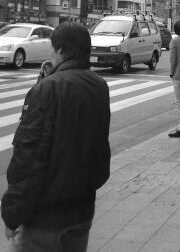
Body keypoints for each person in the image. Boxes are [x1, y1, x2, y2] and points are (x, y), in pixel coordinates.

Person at [2, 22, 111, 252]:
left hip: (44, 219)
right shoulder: (99, 85)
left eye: (52, 48)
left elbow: (28, 156)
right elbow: (99, 149)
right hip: (82, 211)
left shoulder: (49, 88)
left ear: (61, 50)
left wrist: (12, 212)